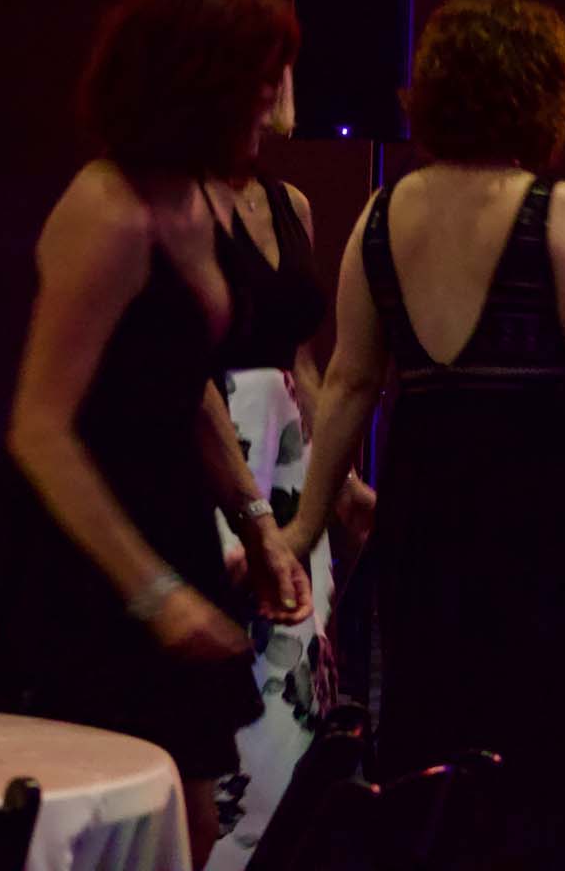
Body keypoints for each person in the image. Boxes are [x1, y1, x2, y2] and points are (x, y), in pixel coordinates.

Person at [281, 0, 565, 868]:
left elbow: (350, 383)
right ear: (539, 92)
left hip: (425, 517)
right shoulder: (559, 209)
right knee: (553, 753)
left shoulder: (379, 215)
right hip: (539, 518)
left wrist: (301, 528)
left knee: (437, 746)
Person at [0, 0, 311, 870]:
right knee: (115, 811)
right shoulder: (108, 207)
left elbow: (186, 382)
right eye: (259, 77)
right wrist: (154, 592)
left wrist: (257, 521)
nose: (272, 97)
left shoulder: (203, 195)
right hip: (84, 539)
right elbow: (39, 429)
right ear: (199, 82)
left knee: (190, 812)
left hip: (168, 515)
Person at [205, 67, 377, 870]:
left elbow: (305, 363)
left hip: (285, 455)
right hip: (211, 448)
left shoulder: (291, 204)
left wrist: (340, 479)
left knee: (295, 669)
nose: (281, 79)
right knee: (229, 662)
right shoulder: (174, 200)